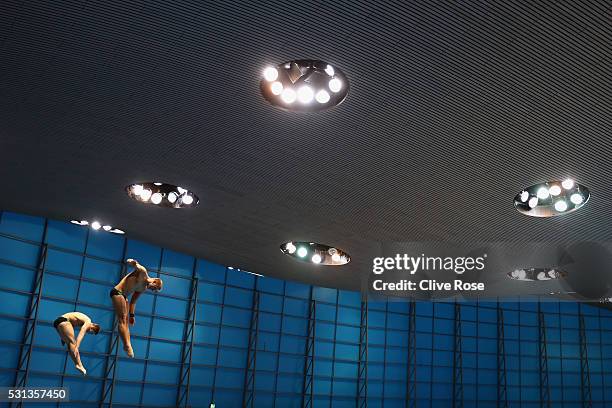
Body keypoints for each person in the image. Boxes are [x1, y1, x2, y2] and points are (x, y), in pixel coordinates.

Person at [110, 258, 163, 358]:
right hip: (117, 292)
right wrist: (131, 261)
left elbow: (133, 301)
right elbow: (136, 264)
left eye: (154, 290)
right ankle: (127, 345)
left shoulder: (143, 288)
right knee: (122, 320)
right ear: (155, 281)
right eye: (154, 288)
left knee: (126, 323)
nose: (152, 290)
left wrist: (132, 315)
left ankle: (128, 344)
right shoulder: (143, 273)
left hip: (124, 297)